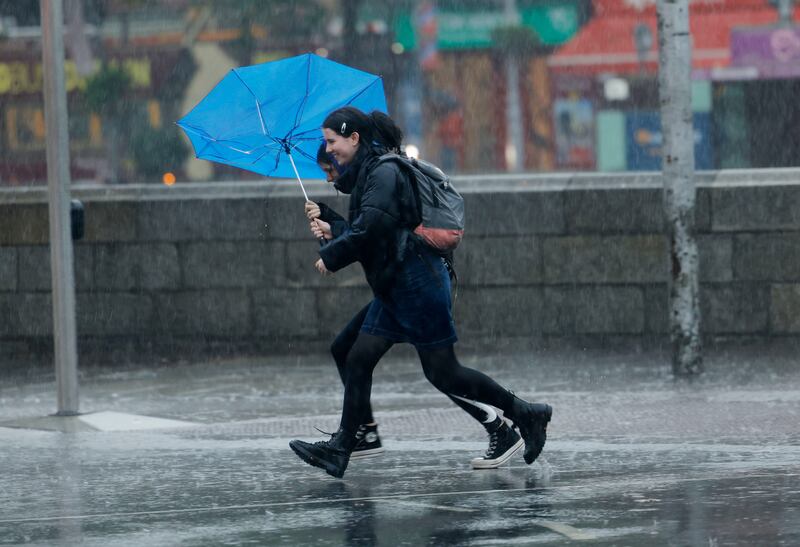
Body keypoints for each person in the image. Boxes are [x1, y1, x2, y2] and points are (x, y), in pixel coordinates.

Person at [289, 107, 552, 478]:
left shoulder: (382, 172)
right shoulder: (370, 174)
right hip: (396, 286)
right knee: (357, 357)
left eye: (332, 142)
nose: (328, 150)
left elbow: (372, 230)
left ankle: (525, 413)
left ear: (354, 138)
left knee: (444, 373)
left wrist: (330, 257)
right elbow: (370, 226)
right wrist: (332, 224)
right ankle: (344, 446)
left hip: (416, 284)